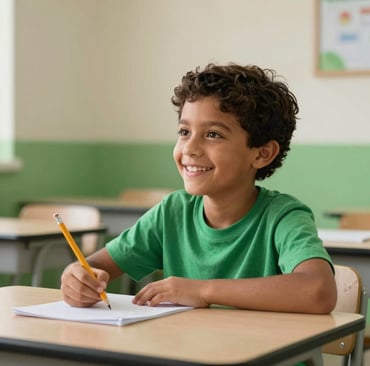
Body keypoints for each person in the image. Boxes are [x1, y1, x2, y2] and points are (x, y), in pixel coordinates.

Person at [61, 63, 337, 314]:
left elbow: (318, 292)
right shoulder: (173, 212)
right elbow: (94, 267)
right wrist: (77, 278)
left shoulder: (283, 217)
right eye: (184, 132)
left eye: (213, 134)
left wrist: (202, 290)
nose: (190, 148)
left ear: (262, 154)